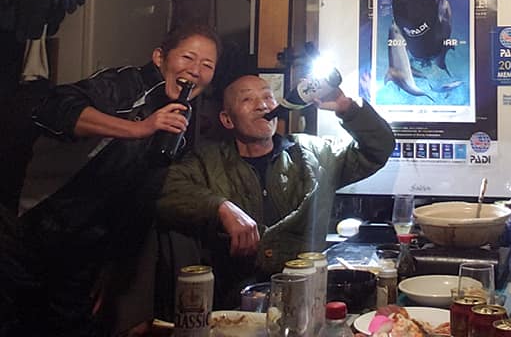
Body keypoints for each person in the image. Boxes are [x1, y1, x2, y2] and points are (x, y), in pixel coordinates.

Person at [2, 23, 221, 337]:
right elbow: (53, 108)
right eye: (187, 57)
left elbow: (140, 200)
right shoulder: (125, 84)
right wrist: (138, 128)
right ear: (159, 57)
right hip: (23, 231)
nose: (196, 70)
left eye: (207, 65)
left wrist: (113, 266)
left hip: (81, 253)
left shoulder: (178, 121)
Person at [156, 73, 396, 307]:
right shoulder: (207, 161)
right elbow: (163, 189)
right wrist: (221, 207)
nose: (262, 105)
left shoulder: (313, 152)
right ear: (227, 119)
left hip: (307, 298)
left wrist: (347, 108)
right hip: (234, 304)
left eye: (268, 97)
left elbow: (377, 150)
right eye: (247, 99)